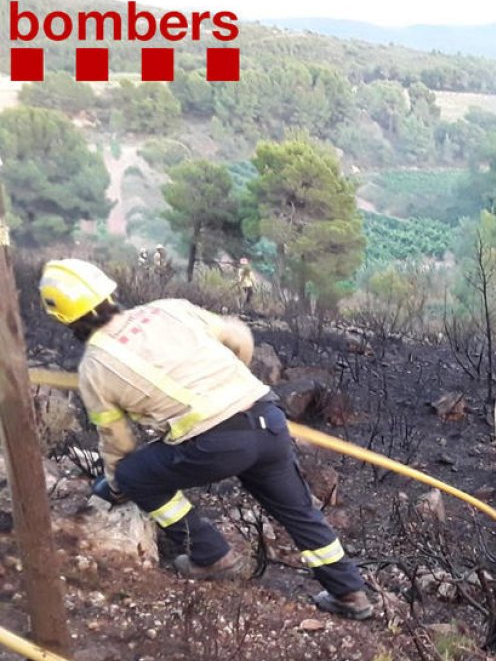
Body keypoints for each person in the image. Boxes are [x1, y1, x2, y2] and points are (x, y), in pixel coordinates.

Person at [37, 259, 373, 620]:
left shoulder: (94, 368)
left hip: (215, 446)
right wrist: (232, 384)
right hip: (268, 420)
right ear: (107, 291)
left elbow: (117, 440)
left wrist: (118, 483)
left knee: (133, 475)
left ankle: (211, 554)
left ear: (66, 319)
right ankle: (350, 594)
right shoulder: (168, 309)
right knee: (299, 512)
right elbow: (239, 336)